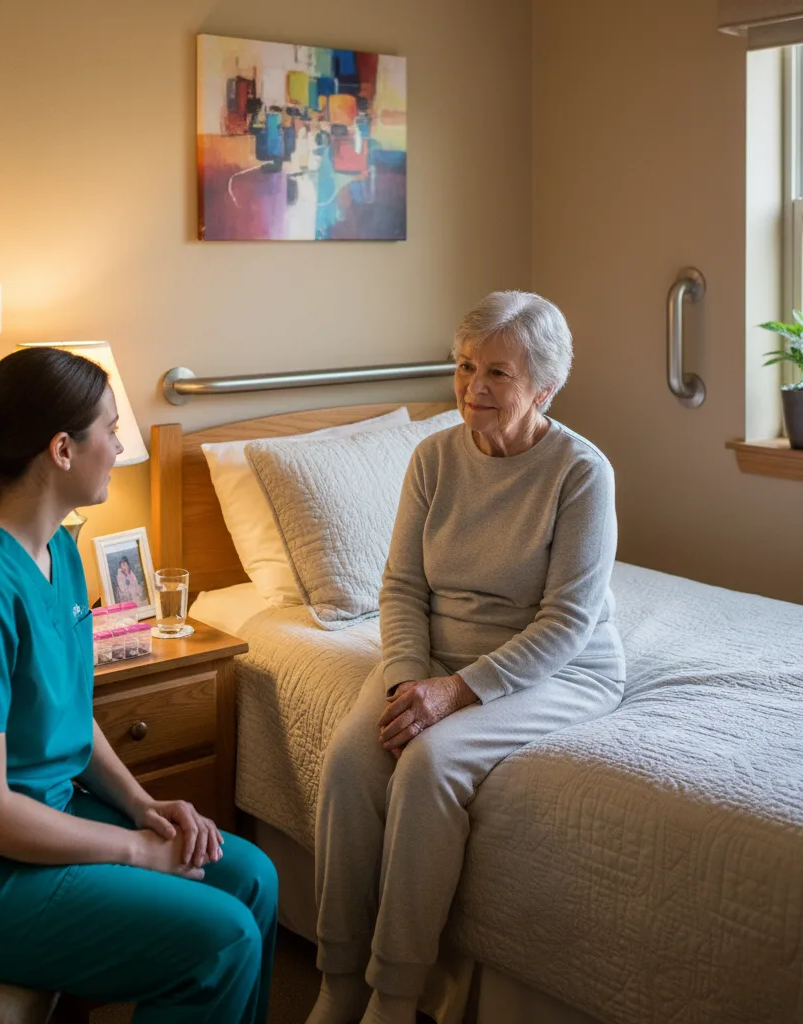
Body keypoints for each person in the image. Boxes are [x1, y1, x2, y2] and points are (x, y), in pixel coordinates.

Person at [0, 347, 277, 1023]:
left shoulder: (59, 552)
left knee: (253, 877)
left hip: (44, 817)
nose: (117, 444)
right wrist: (136, 852)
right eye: (109, 429)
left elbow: (72, 719)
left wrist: (143, 806)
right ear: (61, 449)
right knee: (219, 941)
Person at [306, 291, 626, 1024]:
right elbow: (401, 586)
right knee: (353, 760)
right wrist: (408, 680)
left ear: (543, 388)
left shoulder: (581, 472)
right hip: (434, 656)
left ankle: (395, 992)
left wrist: (455, 694)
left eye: (498, 374)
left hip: (561, 666)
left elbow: (568, 621)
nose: (473, 388)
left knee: (429, 764)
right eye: (464, 367)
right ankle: (339, 978)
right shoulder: (433, 457)